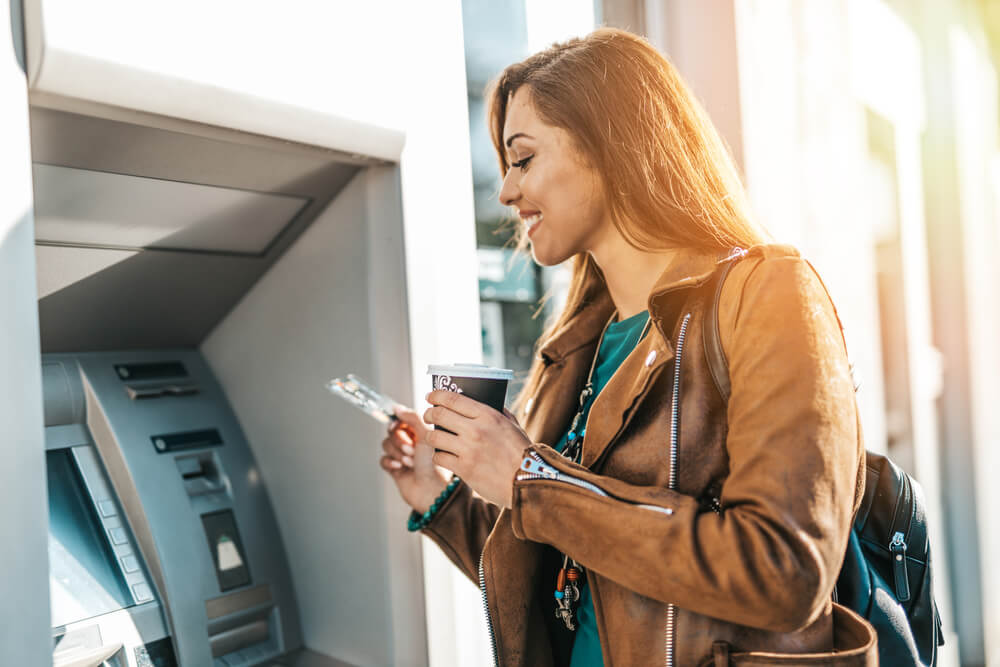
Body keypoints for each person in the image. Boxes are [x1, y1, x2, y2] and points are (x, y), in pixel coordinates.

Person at [379, 27, 878, 666]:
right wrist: (438, 494)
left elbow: (784, 572)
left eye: (524, 159)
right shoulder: (578, 347)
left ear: (610, 147)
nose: (506, 191)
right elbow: (566, 576)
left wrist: (532, 479)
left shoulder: (770, 295)